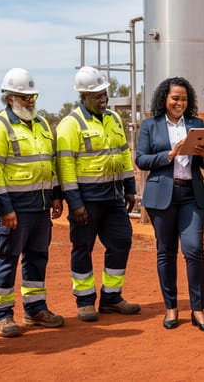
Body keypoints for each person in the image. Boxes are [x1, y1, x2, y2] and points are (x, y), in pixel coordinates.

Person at [0, 68, 65, 338]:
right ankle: (3, 316)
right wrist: (4, 209)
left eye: (32, 96)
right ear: (9, 98)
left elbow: (49, 163)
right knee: (7, 259)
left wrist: (55, 194)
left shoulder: (41, 124)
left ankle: (35, 309)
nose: (29, 101)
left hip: (40, 207)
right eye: (23, 96)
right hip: (14, 209)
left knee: (38, 258)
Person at [56, 66, 140, 322]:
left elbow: (123, 153)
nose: (103, 99)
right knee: (83, 247)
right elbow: (65, 166)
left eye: (105, 94)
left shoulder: (113, 119)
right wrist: (75, 203)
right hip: (87, 200)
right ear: (83, 97)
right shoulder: (70, 125)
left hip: (113, 197)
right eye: (97, 96)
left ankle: (111, 297)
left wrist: (130, 187)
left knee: (121, 242)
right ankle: (84, 302)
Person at [136, 77, 204, 332]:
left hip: (191, 195)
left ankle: (198, 309)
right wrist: (169, 154)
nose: (179, 103)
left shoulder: (197, 124)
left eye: (183, 98)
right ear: (165, 99)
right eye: (175, 98)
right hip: (162, 196)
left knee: (194, 250)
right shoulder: (151, 125)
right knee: (166, 252)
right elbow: (141, 159)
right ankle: (171, 307)